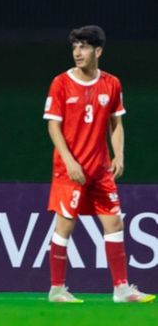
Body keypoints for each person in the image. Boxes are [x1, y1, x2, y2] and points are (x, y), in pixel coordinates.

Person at [44, 25, 154, 303]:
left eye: (83, 47)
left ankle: (121, 289)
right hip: (69, 171)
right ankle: (57, 289)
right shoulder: (61, 83)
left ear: (98, 51)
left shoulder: (111, 83)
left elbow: (116, 123)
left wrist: (119, 155)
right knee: (65, 226)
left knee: (114, 223)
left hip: (100, 170)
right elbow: (53, 127)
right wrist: (70, 161)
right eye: (74, 47)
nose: (77, 52)